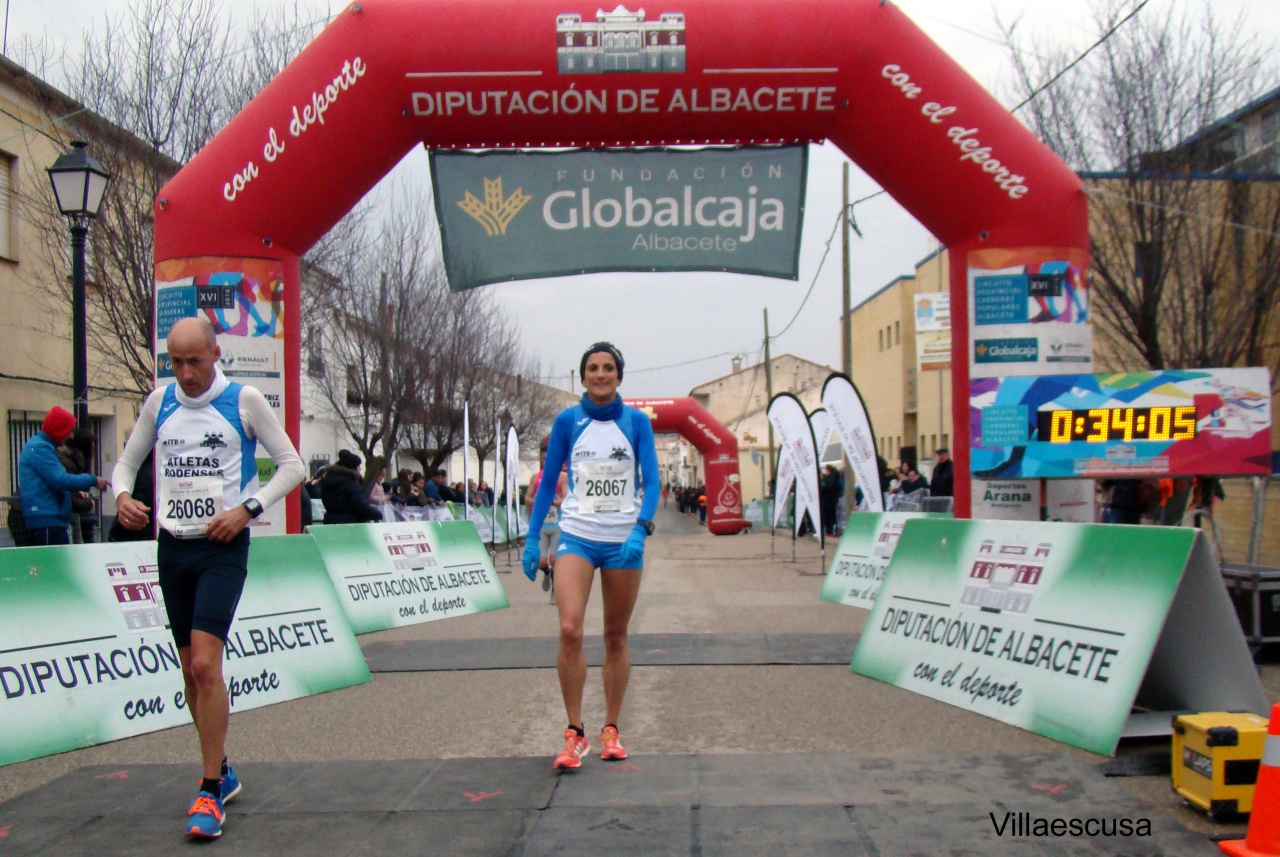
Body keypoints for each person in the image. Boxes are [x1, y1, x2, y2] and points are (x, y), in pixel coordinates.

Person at [111, 317, 304, 840]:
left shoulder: (243, 400)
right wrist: (123, 499)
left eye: (195, 360)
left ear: (216, 353)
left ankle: (209, 786)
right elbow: (124, 466)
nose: (186, 372)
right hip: (173, 547)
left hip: (222, 547)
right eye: (175, 361)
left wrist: (247, 509)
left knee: (204, 662)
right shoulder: (160, 403)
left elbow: (292, 464)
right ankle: (222, 765)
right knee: (188, 672)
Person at [522, 342, 659, 770]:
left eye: (608, 368)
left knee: (615, 636)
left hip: (623, 540)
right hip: (577, 535)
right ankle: (575, 732)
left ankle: (612, 729)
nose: (600, 375)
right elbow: (547, 484)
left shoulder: (637, 422)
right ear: (582, 377)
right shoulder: (567, 421)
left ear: (620, 375)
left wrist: (641, 527)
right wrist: (531, 537)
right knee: (569, 629)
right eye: (593, 369)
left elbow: (652, 483)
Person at [18, 406, 109, 546]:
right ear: (58, 428)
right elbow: (60, 480)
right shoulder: (41, 448)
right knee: (52, 565)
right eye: (69, 430)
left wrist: (73, 491)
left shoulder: (40, 447)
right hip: (47, 520)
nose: (71, 436)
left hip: (47, 518)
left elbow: (51, 480)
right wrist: (93, 480)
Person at [524, 439, 568, 601]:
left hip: (557, 525)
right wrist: (538, 502)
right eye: (543, 459)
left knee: (554, 559)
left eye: (549, 458)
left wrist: (553, 502)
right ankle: (547, 573)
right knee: (542, 562)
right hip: (542, 526)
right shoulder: (536, 478)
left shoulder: (563, 477)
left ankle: (555, 591)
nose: (546, 462)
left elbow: (565, 499)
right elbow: (527, 498)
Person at [58, 427, 101, 543]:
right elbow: (69, 490)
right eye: (91, 448)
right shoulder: (68, 462)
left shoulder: (71, 460)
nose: (93, 452)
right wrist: (89, 503)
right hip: (52, 517)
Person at [319, 450, 385, 524]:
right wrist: (377, 514)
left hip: (330, 522)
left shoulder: (327, 481)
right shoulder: (352, 483)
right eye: (358, 466)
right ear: (353, 467)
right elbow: (360, 506)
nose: (360, 469)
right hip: (351, 524)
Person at [819, 464, 843, 537]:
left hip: (829, 500)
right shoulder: (831, 477)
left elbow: (827, 487)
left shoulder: (832, 478)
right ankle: (828, 532)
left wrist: (822, 480)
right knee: (828, 517)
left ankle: (829, 532)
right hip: (829, 500)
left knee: (828, 517)